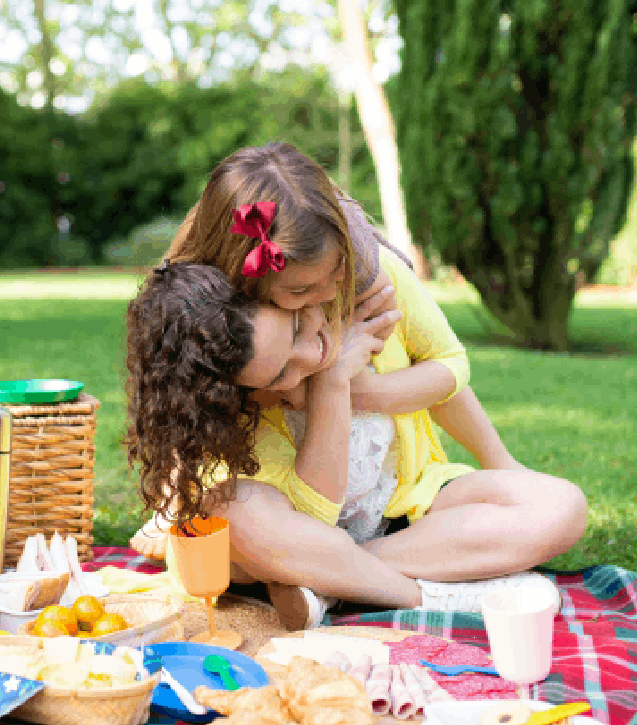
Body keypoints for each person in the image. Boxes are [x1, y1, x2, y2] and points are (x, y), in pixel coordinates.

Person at [128, 142, 588, 627]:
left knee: (561, 507)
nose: (325, 296)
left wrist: (353, 386)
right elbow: (309, 517)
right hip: (300, 521)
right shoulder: (233, 343)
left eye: (332, 276)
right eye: (300, 297)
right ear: (246, 285)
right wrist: (329, 383)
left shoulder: (369, 280)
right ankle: (423, 592)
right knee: (236, 519)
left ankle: (329, 581)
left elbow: (448, 369)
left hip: (403, 502)